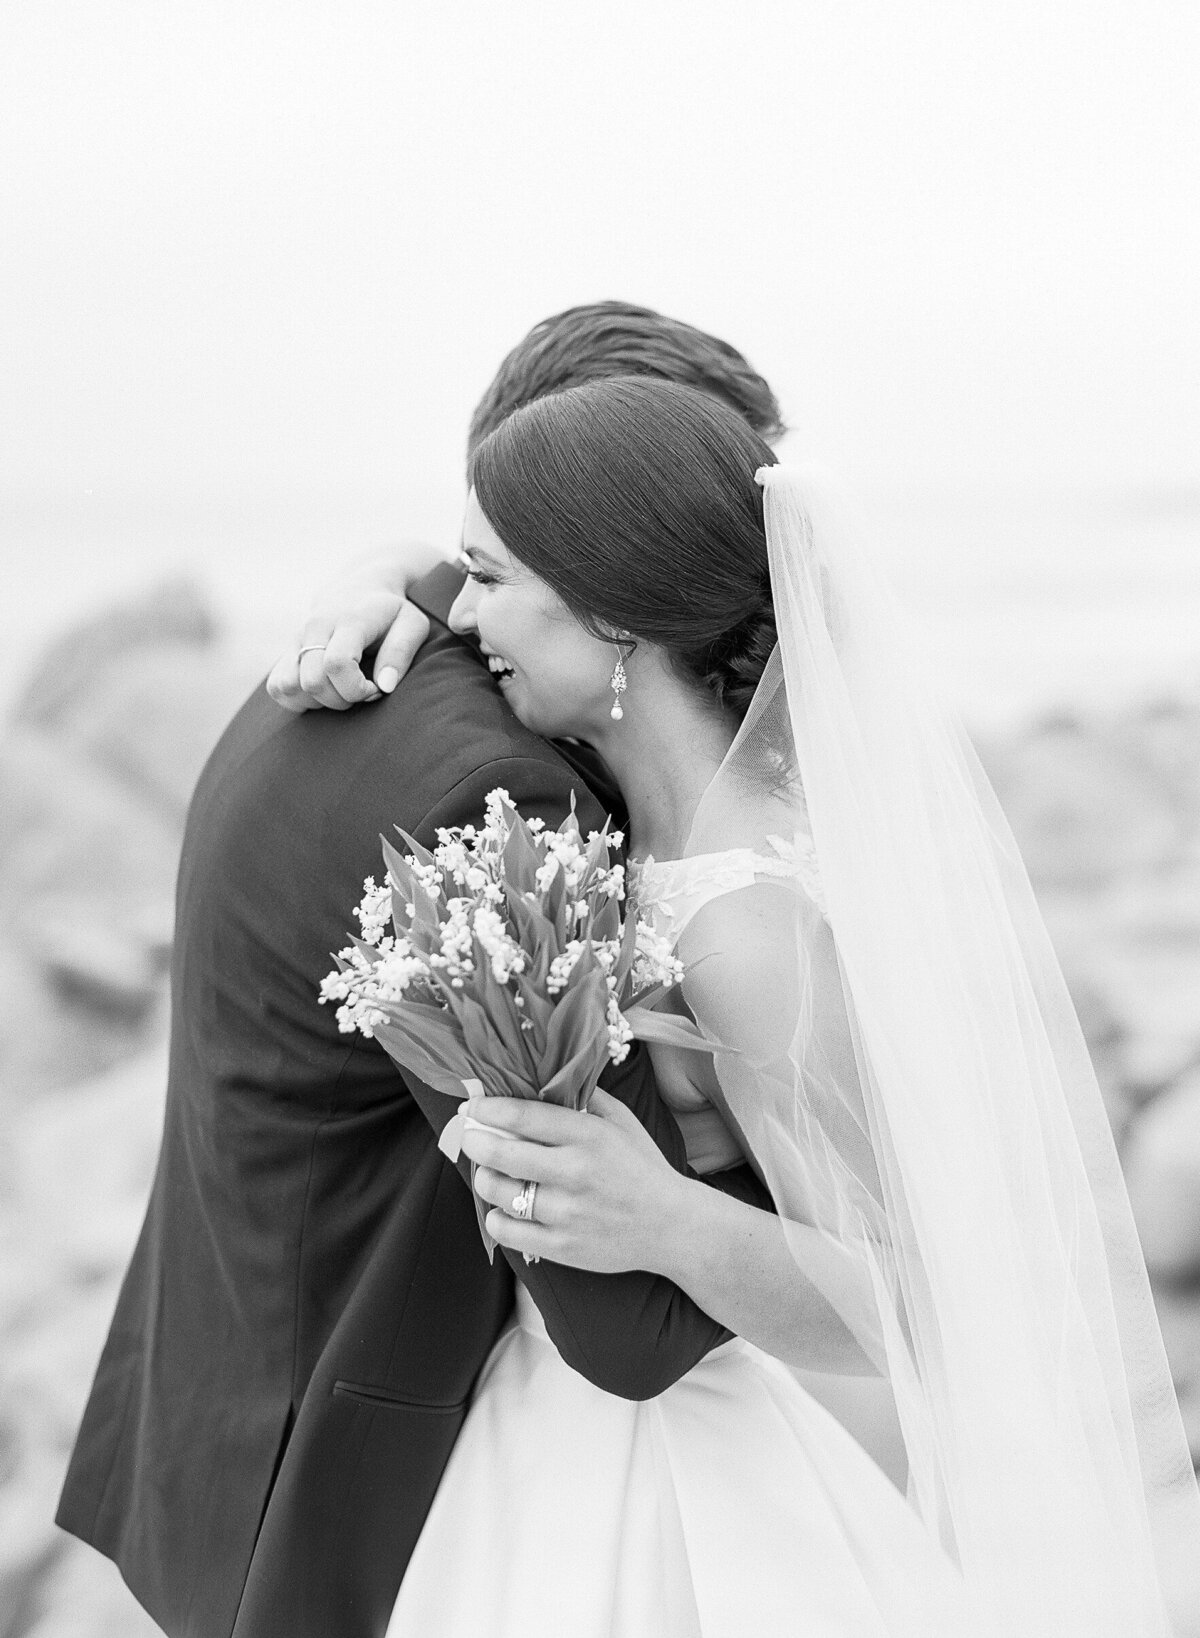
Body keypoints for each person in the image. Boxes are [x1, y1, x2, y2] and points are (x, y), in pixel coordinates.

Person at [300, 377, 1200, 1636]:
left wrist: (660, 1218)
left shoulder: (743, 920)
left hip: (699, 1476)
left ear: (613, 609)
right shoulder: (613, 809)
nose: (464, 614)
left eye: (491, 577)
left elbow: (907, 1302)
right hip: (561, 1435)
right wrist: (367, 577)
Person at [54, 305, 789, 1638]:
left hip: (214, 1404)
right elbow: (621, 1321)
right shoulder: (492, 793)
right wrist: (750, 1196)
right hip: (354, 1470)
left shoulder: (382, 658)